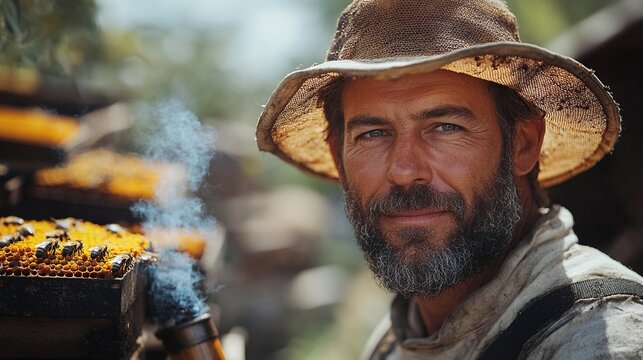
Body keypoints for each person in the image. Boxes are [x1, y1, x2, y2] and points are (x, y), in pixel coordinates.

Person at [256, 0, 643, 358]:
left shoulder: (597, 336)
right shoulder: (391, 342)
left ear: (522, 146)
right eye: (372, 134)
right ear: (339, 157)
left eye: (444, 127)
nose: (405, 171)